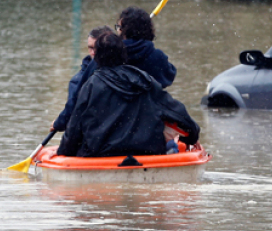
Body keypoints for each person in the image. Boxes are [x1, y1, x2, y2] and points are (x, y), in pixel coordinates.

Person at [58, 30, 199, 158]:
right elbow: (177, 113)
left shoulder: (90, 85)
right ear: (123, 54)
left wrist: (63, 152)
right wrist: (192, 136)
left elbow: (74, 126)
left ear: (98, 57)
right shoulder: (145, 80)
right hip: (146, 152)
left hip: (99, 153)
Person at [51, 26, 111, 133]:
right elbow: (73, 107)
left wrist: (60, 123)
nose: (93, 53)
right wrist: (60, 122)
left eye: (97, 48)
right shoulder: (78, 79)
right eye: (90, 48)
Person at [115, 6, 176, 88]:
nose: (117, 31)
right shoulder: (157, 57)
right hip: (149, 100)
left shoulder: (110, 55)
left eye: (118, 27)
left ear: (124, 30)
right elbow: (169, 74)